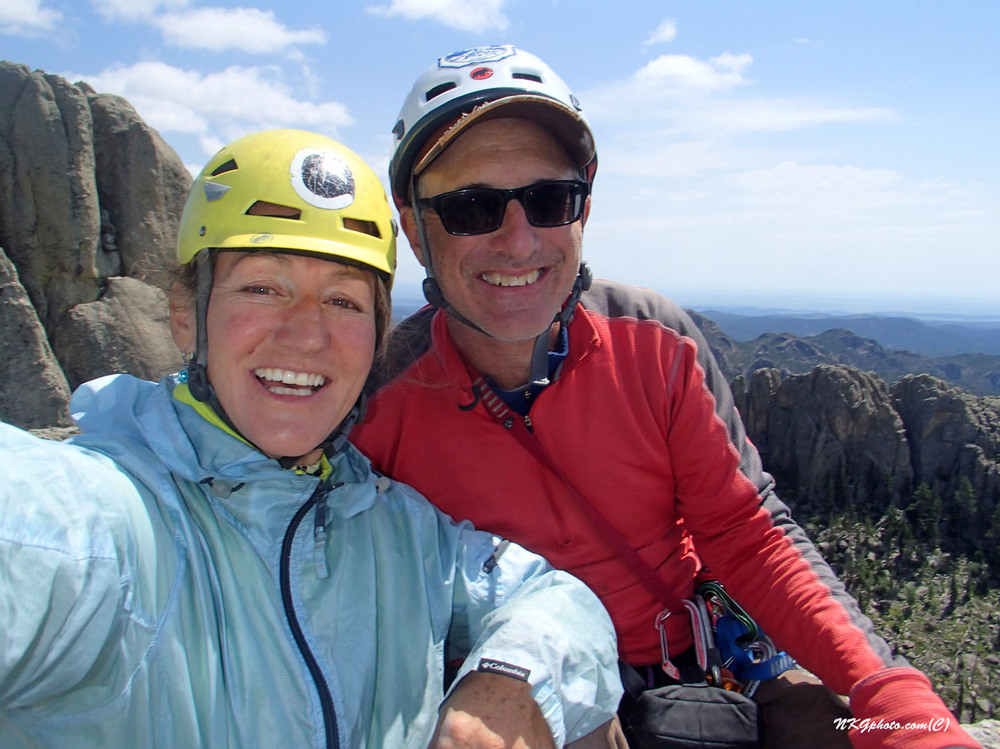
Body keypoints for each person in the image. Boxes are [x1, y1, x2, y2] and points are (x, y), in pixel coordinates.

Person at [351, 45, 979, 749]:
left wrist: (897, 703)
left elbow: (745, 533)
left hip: (698, 667)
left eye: (550, 200)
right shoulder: (377, 400)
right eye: (472, 208)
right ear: (415, 227)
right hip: (526, 697)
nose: (519, 242)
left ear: (584, 208)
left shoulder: (655, 340)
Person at [0, 129, 625, 748]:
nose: (306, 335)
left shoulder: (394, 528)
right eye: (262, 288)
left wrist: (512, 677)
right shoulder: (103, 520)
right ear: (186, 315)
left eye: (343, 301)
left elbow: (553, 595)